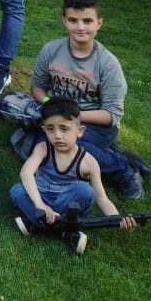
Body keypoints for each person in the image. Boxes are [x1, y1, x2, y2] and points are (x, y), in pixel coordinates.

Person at [29, 0, 144, 199]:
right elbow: (37, 87)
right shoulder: (51, 50)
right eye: (73, 20)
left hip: (96, 124)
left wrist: (72, 115)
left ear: (99, 23)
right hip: (58, 117)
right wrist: (49, 103)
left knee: (69, 145)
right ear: (64, 21)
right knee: (41, 148)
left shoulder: (108, 64)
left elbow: (111, 115)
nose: (80, 27)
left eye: (87, 21)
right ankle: (110, 153)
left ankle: (126, 171)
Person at [10, 99, 137, 255]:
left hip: (68, 205)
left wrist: (117, 218)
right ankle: (66, 231)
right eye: (50, 129)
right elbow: (26, 173)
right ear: (44, 130)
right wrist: (40, 204)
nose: (57, 136)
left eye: (64, 129)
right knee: (17, 191)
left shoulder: (88, 162)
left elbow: (102, 199)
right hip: (42, 199)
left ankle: (38, 224)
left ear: (80, 131)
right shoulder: (43, 148)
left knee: (84, 190)